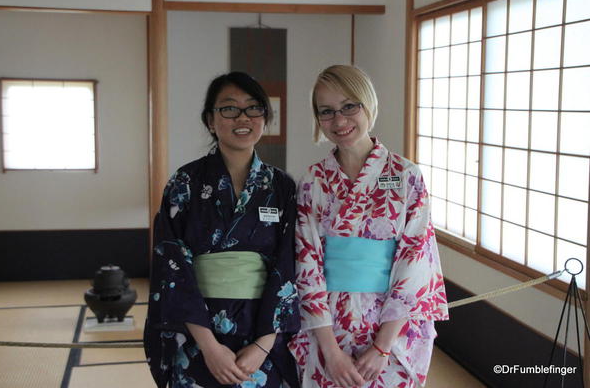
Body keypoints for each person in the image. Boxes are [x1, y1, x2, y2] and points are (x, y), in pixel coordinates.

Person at [289, 65, 449, 388]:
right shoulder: (312, 181)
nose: (340, 120)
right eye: (327, 111)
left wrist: (381, 347)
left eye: (350, 106)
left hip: (393, 333)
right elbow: (306, 265)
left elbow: (415, 261)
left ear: (368, 104)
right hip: (327, 330)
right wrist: (331, 352)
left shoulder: (407, 176)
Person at [144, 72, 300, 388]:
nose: (242, 118)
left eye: (253, 108)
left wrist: (262, 345)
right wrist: (210, 347)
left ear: (265, 119)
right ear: (211, 121)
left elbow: (289, 265)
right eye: (229, 108)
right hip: (197, 333)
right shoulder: (184, 182)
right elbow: (171, 264)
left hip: (262, 331)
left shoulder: (282, 186)